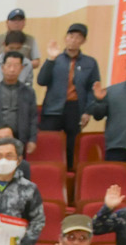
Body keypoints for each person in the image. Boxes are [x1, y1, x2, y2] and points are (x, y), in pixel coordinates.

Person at [34, 24, 100, 172]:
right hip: (52, 108)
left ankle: (68, 174)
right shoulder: (55, 58)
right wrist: (50, 59)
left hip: (75, 108)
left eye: (78, 37)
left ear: (83, 41)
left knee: (72, 145)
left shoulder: (90, 62)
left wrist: (88, 111)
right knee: (48, 143)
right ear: (65, 38)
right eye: (71, 36)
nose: (74, 40)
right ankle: (45, 172)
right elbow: (41, 80)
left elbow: (93, 89)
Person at [86, 49, 126, 186]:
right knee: (114, 184)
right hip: (116, 146)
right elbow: (98, 116)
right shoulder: (112, 91)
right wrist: (99, 101)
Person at [0, 52, 39, 154]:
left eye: (16, 66)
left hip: (19, 139)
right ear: (2, 67)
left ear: (22, 68)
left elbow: (33, 118)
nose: (12, 69)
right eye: (9, 65)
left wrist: (32, 139)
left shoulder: (29, 93)